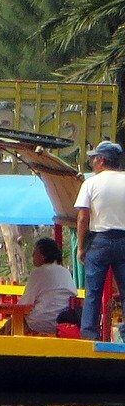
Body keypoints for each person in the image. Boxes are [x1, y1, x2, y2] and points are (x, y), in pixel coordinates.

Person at [77, 140, 125, 340]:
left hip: (100, 240)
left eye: (94, 158)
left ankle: (89, 334)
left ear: (102, 160)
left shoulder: (91, 183)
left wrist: (81, 247)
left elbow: (82, 217)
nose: (93, 162)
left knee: (93, 292)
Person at [19, 237, 77, 336]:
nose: (32, 255)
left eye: (35, 252)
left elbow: (24, 304)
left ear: (43, 256)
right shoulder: (66, 272)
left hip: (40, 322)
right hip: (63, 321)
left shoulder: (38, 273)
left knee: (13, 322)